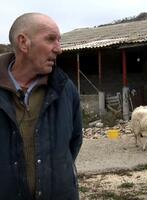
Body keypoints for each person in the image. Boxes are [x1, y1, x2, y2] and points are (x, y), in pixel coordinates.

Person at [0, 13, 83, 199]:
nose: (59, 49)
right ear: (23, 43)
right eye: (51, 39)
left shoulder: (65, 89)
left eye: (59, 40)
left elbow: (74, 141)